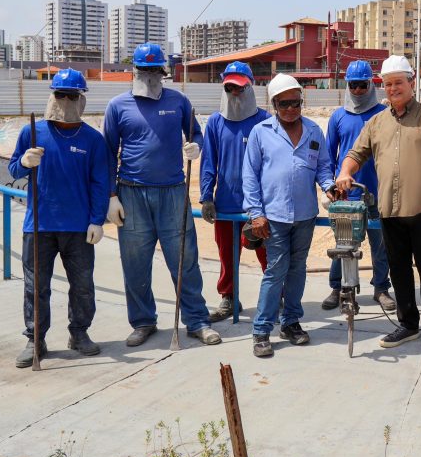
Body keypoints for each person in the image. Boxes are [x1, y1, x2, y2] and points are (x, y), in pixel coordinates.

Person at [336, 55, 421, 355]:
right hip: (389, 211)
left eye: (398, 83)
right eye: (387, 84)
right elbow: (355, 152)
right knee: (399, 270)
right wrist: (345, 172)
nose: (393, 89)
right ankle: (408, 324)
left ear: (411, 83)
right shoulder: (376, 122)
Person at [104, 43, 220, 347]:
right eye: (145, 70)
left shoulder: (178, 101)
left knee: (185, 258)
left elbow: (195, 132)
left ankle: (196, 320)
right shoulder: (118, 106)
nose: (151, 76)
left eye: (156, 70)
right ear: (135, 71)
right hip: (131, 192)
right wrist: (110, 195)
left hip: (172, 192)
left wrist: (196, 145)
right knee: (135, 261)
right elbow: (106, 153)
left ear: (163, 72)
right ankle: (143, 321)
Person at [8, 68, 109, 368]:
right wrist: (25, 162)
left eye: (72, 95)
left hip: (78, 227)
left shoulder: (92, 139)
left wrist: (97, 219)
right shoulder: (33, 132)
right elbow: (13, 169)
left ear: (81, 99)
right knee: (35, 287)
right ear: (51, 95)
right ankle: (35, 338)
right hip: (39, 225)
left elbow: (100, 182)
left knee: (82, 284)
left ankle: (79, 333)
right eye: (60, 94)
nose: (65, 100)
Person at [243, 73, 336, 358]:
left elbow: (321, 167)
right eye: (284, 104)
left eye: (296, 103)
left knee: (297, 270)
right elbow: (250, 175)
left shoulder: (313, 131)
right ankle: (261, 329)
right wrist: (256, 213)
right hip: (274, 217)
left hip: (305, 215)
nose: (291, 109)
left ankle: (291, 322)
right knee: (276, 271)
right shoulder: (261, 132)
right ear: (274, 105)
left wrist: (329, 186)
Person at [198, 61, 272, 322]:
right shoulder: (216, 123)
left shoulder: (265, 121)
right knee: (227, 255)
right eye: (230, 88)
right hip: (227, 203)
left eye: (240, 88)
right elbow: (209, 162)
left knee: (267, 252)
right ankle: (228, 296)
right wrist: (206, 196)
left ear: (251, 87)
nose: (235, 93)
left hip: (259, 206)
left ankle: (277, 295)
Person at [321, 60, 396, 313]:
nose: (358, 90)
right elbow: (329, 156)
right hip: (347, 194)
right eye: (353, 85)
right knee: (344, 245)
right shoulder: (338, 117)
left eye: (362, 85)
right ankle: (338, 287)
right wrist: (330, 186)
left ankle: (381, 288)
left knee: (380, 244)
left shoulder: (383, 115)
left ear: (371, 84)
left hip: (377, 193)